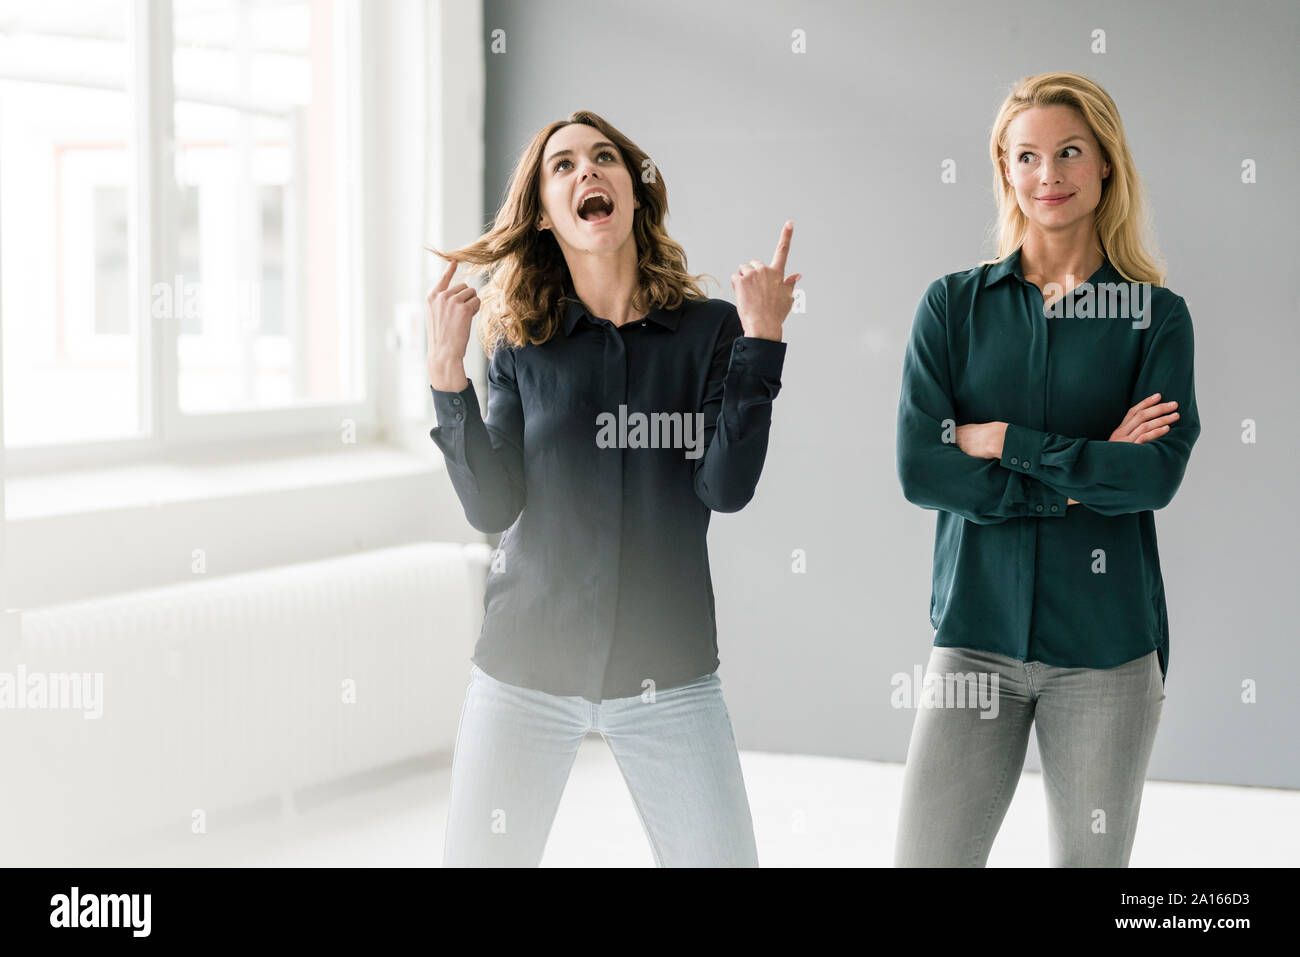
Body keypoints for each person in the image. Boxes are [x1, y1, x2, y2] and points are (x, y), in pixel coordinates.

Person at [425, 110, 800, 866]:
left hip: (668, 669)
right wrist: (445, 377)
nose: (586, 171)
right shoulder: (521, 343)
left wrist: (762, 344)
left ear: (634, 192)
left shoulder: (712, 331)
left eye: (603, 159)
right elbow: (493, 505)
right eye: (561, 166)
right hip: (525, 665)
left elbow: (725, 487)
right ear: (542, 213)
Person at [893, 72, 1200, 867]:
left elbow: (1153, 477)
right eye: (1026, 156)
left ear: (1105, 165)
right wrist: (1087, 470)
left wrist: (1001, 439)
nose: (1048, 175)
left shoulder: (1153, 317)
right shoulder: (951, 308)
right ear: (1005, 171)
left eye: (1069, 152)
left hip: (1108, 654)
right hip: (974, 638)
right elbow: (922, 469)